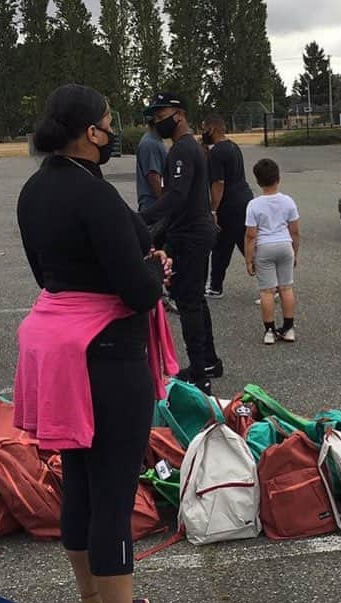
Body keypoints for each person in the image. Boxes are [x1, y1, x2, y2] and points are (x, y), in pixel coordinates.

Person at [14, 84, 195, 603]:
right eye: (109, 121)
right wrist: (153, 265)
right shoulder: (92, 194)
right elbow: (138, 290)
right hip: (106, 352)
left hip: (57, 346)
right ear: (91, 131)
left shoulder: (36, 187)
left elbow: (49, 273)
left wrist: (135, 265)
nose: (113, 129)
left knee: (82, 482)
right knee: (114, 491)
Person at [141, 93, 221, 393]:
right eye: (154, 118)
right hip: (194, 230)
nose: (157, 122)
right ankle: (209, 360)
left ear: (180, 115)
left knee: (188, 303)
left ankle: (199, 374)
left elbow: (176, 196)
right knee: (196, 300)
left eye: (162, 116)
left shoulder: (183, 151)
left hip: (191, 235)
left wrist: (143, 219)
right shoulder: (191, 148)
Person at [245, 158, 300, 344]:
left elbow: (251, 235)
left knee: (267, 291)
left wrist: (248, 259)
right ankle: (289, 328)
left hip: (265, 247)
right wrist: (295, 252)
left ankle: (269, 331)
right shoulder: (288, 201)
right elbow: (295, 231)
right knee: (286, 287)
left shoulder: (254, 205)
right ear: (278, 178)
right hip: (285, 245)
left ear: (258, 181)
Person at [202, 114, 254, 299]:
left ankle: (215, 287)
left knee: (221, 246)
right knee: (242, 243)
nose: (202, 132)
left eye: (204, 128)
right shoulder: (232, 146)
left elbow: (218, 183)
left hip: (229, 205)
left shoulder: (217, 152)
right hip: (244, 199)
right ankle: (273, 282)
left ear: (212, 129)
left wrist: (213, 209)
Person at [135, 96, 170, 211]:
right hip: (153, 206)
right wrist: (165, 204)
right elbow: (153, 177)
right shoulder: (150, 144)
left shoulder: (155, 140)